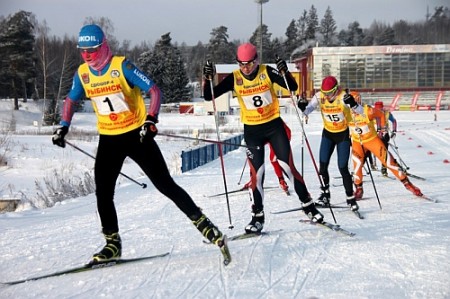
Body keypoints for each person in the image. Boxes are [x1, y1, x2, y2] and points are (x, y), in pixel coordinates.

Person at [52, 24, 230, 264]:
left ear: (103, 46)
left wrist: (151, 119)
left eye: (92, 49)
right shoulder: (82, 73)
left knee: (165, 184)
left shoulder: (121, 66)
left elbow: (155, 91)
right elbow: (70, 100)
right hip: (109, 138)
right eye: (82, 50)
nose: (87, 55)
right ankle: (112, 244)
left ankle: (206, 227)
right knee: (103, 193)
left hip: (136, 136)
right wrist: (63, 126)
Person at [203, 42, 324, 233]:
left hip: (274, 126)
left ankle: (308, 206)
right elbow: (209, 96)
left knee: (287, 168)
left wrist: (284, 71)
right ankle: (257, 217)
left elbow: (291, 86)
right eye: (241, 64)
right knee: (257, 176)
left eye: (249, 64)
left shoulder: (266, 72)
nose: (246, 68)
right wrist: (207, 78)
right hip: (252, 131)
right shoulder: (235, 78)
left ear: (256, 61)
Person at [297, 76, 363, 212]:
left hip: (342, 135)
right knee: (323, 165)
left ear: (336, 90)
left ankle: (350, 197)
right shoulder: (319, 96)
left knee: (343, 167)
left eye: (329, 93)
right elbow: (307, 110)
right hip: (328, 134)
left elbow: (361, 112)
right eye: (324, 93)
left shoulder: (343, 97)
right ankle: (325, 194)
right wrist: (302, 106)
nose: (326, 96)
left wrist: (354, 104)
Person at [348, 91, 422, 198]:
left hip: (372, 140)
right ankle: (359, 189)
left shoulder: (367, 110)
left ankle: (408, 184)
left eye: (353, 101)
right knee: (357, 166)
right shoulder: (346, 112)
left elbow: (381, 114)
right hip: (357, 142)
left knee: (389, 162)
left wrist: (381, 130)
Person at [243, 121, 292, 194]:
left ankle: (284, 181)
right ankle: (253, 180)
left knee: (274, 159)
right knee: (253, 156)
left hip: (280, 136)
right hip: (269, 134)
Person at [374, 101, 398, 176]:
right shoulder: (371, 113)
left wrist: (394, 131)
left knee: (384, 152)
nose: (379, 110)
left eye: (380, 109)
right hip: (374, 135)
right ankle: (371, 164)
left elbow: (394, 121)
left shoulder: (387, 113)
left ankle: (384, 168)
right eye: (377, 109)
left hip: (384, 135)